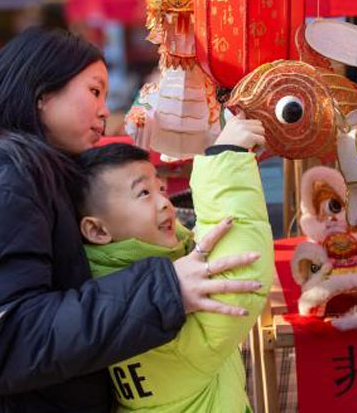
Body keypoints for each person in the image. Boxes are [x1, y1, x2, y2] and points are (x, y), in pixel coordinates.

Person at [0, 27, 262, 411]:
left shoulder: (11, 169)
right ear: (42, 94)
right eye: (94, 90)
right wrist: (164, 290)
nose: (104, 110)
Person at [76, 117, 271, 412]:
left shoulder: (101, 288)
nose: (165, 203)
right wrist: (225, 161)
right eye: (144, 193)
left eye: (161, 188)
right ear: (97, 230)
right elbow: (239, 280)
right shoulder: (149, 309)